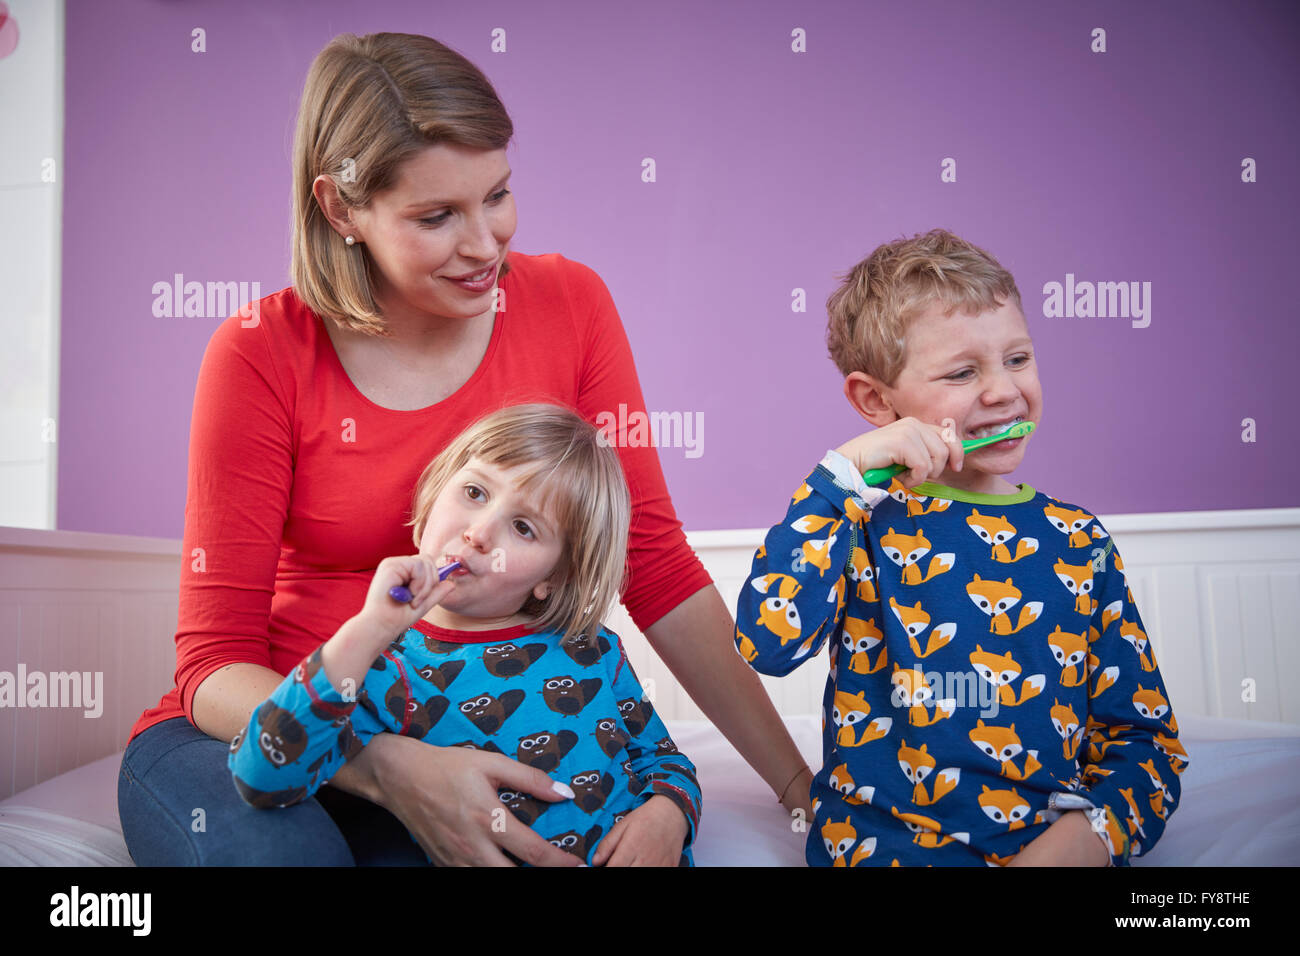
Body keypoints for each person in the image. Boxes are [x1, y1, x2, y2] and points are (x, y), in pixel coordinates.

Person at [118, 31, 809, 867]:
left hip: (452, 728)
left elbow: (652, 563)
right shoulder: (260, 350)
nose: (485, 245)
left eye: (498, 195)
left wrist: (800, 790)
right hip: (262, 728)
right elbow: (213, 661)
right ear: (340, 208)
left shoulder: (570, 304)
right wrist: (385, 768)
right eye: (437, 216)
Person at [734, 228, 1188, 866]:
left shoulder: (1079, 540)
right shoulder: (856, 526)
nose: (1003, 390)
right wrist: (840, 479)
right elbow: (769, 642)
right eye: (963, 371)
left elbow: (1147, 746)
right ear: (875, 400)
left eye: (1018, 359)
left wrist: (1086, 838)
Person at [229, 404, 699, 866]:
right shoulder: (387, 669)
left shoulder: (594, 650)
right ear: (434, 496)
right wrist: (369, 628)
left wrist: (670, 812)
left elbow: (664, 761)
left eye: (523, 527)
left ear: (554, 577)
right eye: (475, 492)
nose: (479, 533)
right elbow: (262, 774)